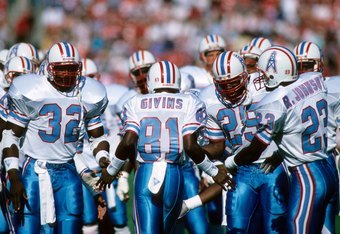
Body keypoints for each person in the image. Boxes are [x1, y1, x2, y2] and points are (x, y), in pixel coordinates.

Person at [97, 60, 233, 233]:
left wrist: (111, 170)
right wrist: (213, 171)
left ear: (151, 80)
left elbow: (128, 141)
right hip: (174, 172)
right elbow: (190, 146)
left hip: (145, 171)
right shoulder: (189, 101)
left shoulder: (135, 102)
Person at [226, 45, 338, 233]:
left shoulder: (274, 102)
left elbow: (256, 149)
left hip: (307, 176)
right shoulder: (313, 80)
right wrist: (280, 153)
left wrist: (231, 162)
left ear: (273, 73)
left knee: (297, 228)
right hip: (327, 166)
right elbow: (298, 128)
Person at [2, 42, 110, 233]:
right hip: (34, 170)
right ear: (50, 68)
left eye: (72, 69)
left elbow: (97, 137)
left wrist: (103, 159)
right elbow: (10, 136)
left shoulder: (87, 94)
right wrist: (13, 174)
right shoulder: (33, 91)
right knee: (28, 226)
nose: (67, 74)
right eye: (62, 69)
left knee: (71, 222)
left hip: (68, 170)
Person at [80, 57, 131, 234]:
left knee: (118, 220)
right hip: (83, 170)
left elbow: (121, 138)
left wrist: (121, 172)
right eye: (84, 77)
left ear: (99, 76)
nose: (88, 81)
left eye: (91, 76)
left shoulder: (110, 100)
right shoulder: (72, 102)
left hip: (109, 168)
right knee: (88, 220)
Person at [294, 41, 339, 233]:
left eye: (307, 66)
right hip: (325, 160)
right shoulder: (334, 87)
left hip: (301, 162)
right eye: (301, 66)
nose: (304, 71)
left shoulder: (286, 94)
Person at [0, 55, 36, 233]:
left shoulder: (40, 99)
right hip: (10, 165)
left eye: (26, 76)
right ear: (8, 76)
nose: (22, 81)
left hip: (34, 165)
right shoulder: (7, 100)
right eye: (17, 76)